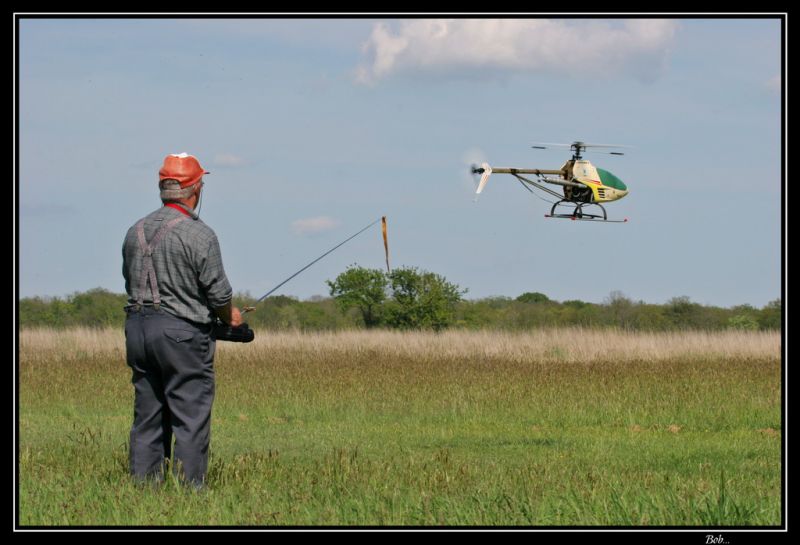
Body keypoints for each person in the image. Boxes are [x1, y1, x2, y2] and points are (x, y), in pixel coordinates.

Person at [121, 153, 242, 487]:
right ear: (195, 188)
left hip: (137, 331)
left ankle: (144, 488)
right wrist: (230, 316)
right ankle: (191, 491)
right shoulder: (200, 235)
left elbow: (130, 282)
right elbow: (218, 294)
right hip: (182, 336)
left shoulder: (135, 230)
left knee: (147, 415)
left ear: (163, 187)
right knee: (190, 416)